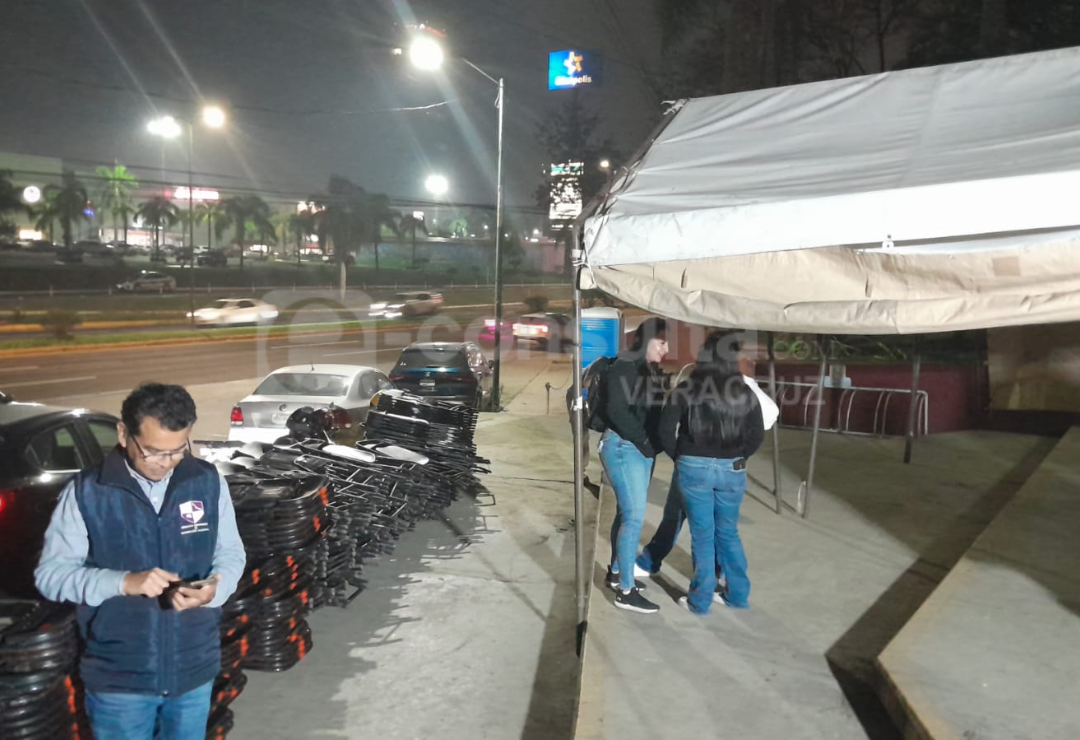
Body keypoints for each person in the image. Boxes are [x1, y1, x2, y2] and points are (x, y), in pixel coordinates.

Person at [35, 383, 246, 740]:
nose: (166, 463)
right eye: (153, 452)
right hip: (120, 678)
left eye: (178, 450)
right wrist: (122, 582)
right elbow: (51, 576)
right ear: (123, 434)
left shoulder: (207, 482)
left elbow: (230, 553)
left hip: (193, 668)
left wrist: (216, 588)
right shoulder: (87, 492)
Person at [635, 331, 778, 591]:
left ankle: (662, 567)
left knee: (689, 524)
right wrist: (737, 457)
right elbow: (757, 433)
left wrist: (682, 458)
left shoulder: (687, 388)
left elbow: (665, 431)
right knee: (722, 529)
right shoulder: (744, 389)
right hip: (728, 468)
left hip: (692, 465)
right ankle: (720, 582)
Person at [598, 317, 668, 614]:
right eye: (662, 342)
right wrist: (644, 441)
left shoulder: (645, 369)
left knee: (625, 514)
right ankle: (626, 592)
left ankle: (617, 574)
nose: (666, 349)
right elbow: (616, 410)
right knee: (634, 518)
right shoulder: (625, 367)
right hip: (624, 447)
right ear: (648, 340)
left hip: (638, 449)